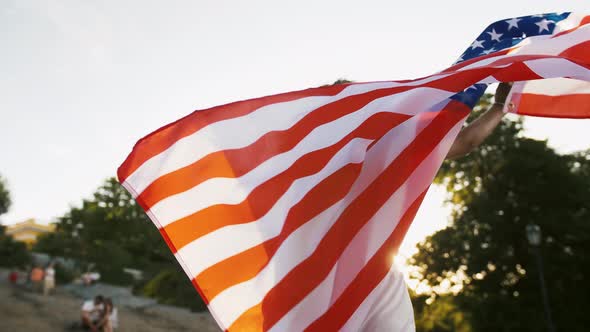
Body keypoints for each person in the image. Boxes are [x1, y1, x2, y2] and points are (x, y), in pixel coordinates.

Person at [358, 82, 513, 331]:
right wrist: (497, 107)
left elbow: (464, 142)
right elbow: (466, 142)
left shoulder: (302, 164)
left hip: (315, 273)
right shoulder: (389, 145)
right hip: (374, 270)